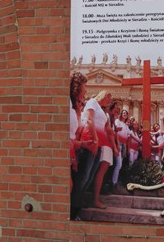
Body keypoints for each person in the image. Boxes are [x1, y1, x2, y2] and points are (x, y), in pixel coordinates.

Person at [69, 71, 95, 219]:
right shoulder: (67, 104)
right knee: (70, 186)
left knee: (72, 185)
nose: (86, 91)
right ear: (77, 87)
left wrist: (83, 144)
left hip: (72, 150)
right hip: (68, 152)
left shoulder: (73, 108)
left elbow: (74, 134)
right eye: (84, 87)